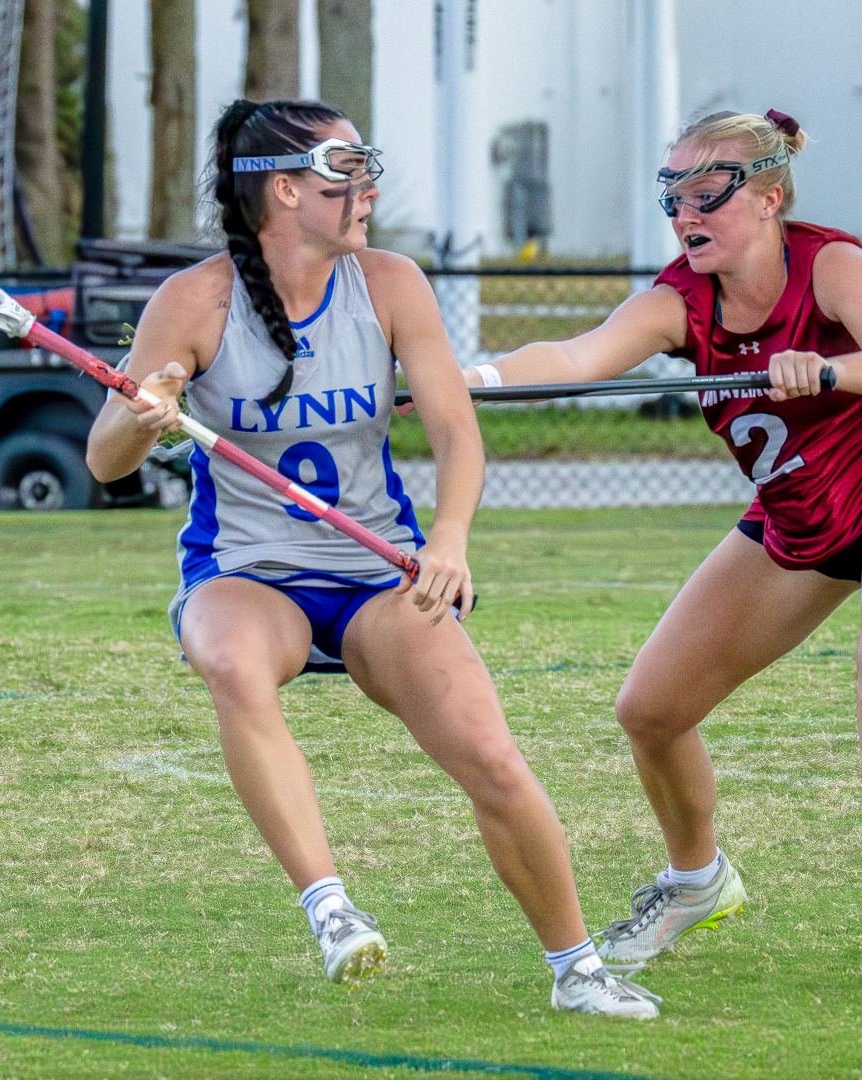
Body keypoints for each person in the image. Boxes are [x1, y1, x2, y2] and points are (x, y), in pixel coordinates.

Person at [85, 99, 660, 1017]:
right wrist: (139, 413)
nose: (368, 190)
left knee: (490, 756)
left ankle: (578, 968)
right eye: (345, 172)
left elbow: (455, 437)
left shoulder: (390, 284)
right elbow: (103, 459)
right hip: (246, 570)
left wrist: (450, 540)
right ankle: (331, 908)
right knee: (233, 661)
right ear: (282, 192)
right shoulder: (193, 303)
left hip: (374, 571)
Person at [461, 110, 862, 996]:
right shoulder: (678, 301)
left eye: (706, 192)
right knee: (651, 710)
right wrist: (464, 378)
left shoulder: (830, 263)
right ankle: (698, 882)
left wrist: (826, 369)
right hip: (800, 519)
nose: (684, 212)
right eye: (672, 195)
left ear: (769, 198)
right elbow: (579, 356)